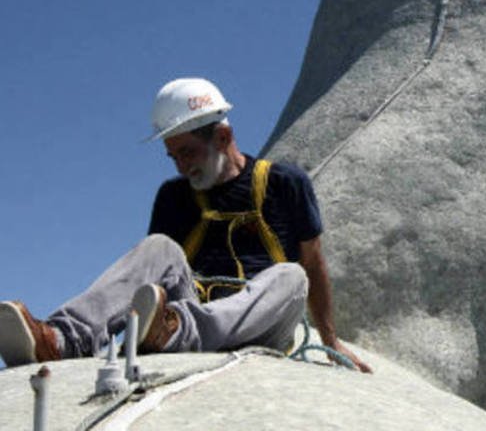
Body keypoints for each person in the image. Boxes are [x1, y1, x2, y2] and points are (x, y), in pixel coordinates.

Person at [0, 77, 370, 373]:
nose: (180, 165)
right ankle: (63, 340)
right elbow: (147, 284)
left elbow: (314, 263)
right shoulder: (173, 197)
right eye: (173, 155)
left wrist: (330, 340)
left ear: (223, 138)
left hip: (259, 322)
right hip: (183, 320)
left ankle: (177, 331)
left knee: (291, 276)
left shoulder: (285, 184)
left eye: (188, 152)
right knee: (158, 246)